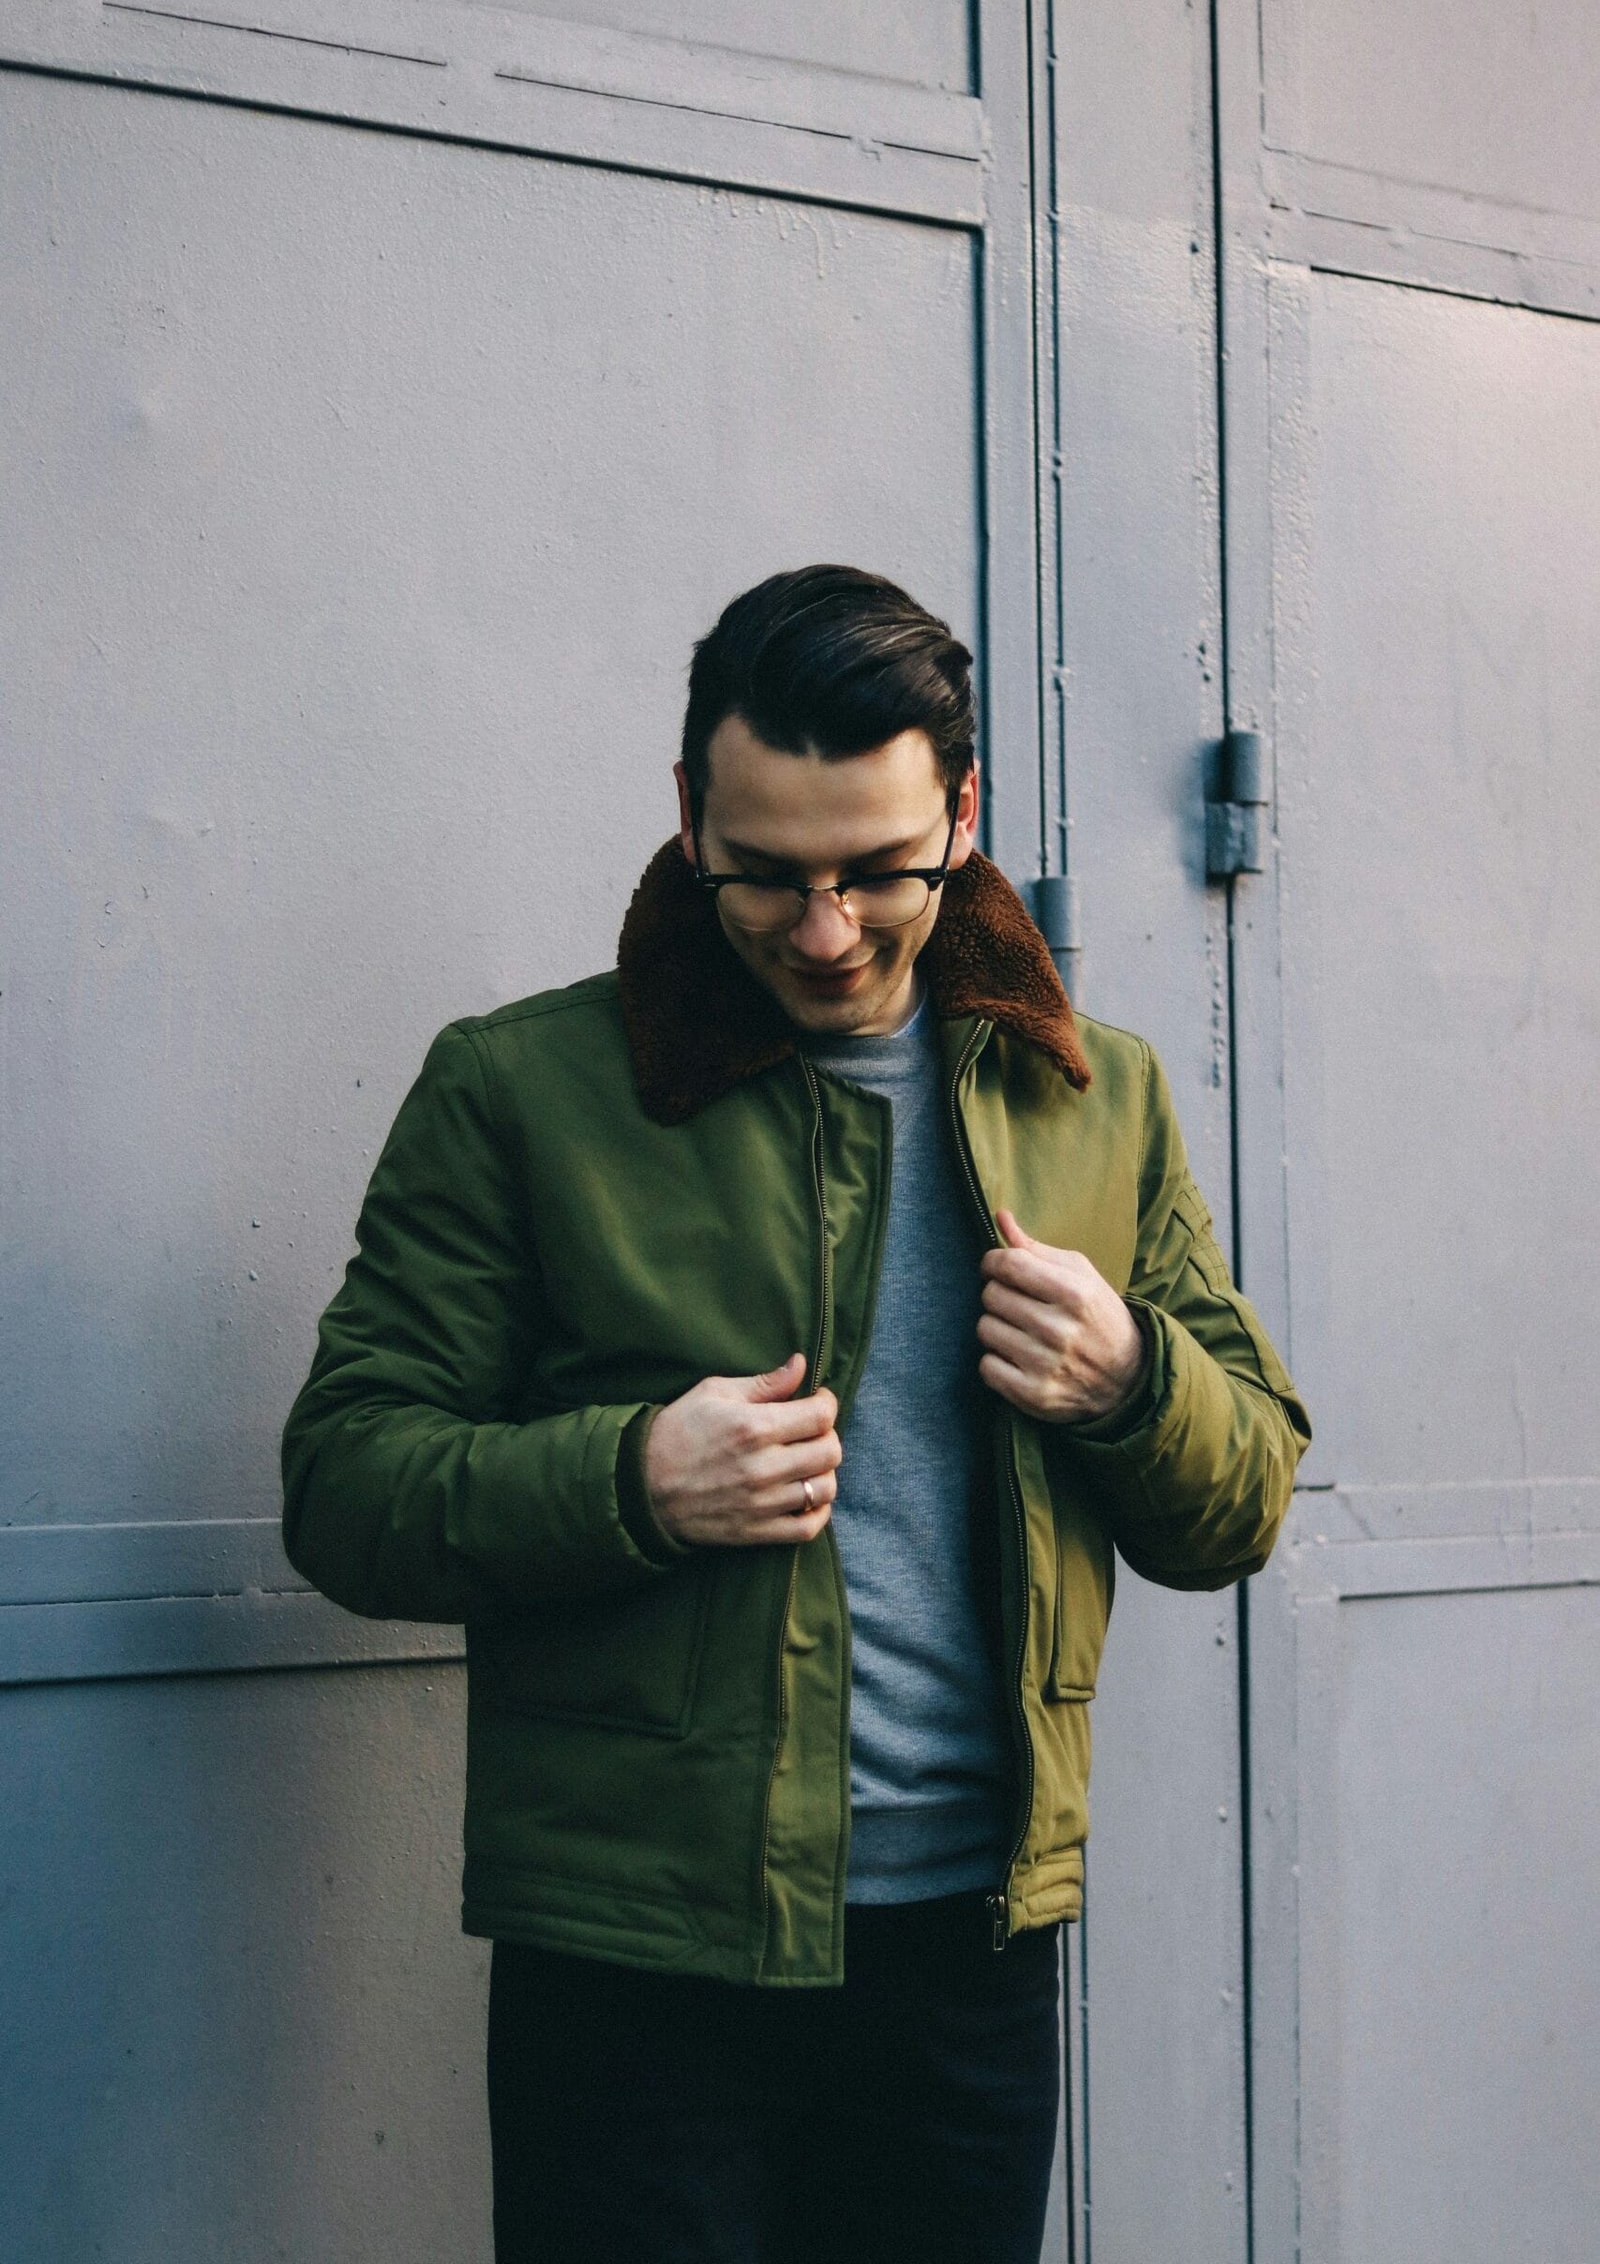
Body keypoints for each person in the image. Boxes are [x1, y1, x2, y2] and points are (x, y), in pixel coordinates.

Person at [280, 562, 1312, 2264]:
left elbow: (1247, 1497)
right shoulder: (518, 1089)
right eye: (763, 873)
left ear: (962, 814)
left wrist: (1133, 1378)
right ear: (689, 811)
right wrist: (632, 1479)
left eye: (877, 872)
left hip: (967, 1958)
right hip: (636, 1966)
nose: (823, 931)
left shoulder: (1094, 1092)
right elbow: (344, 1488)